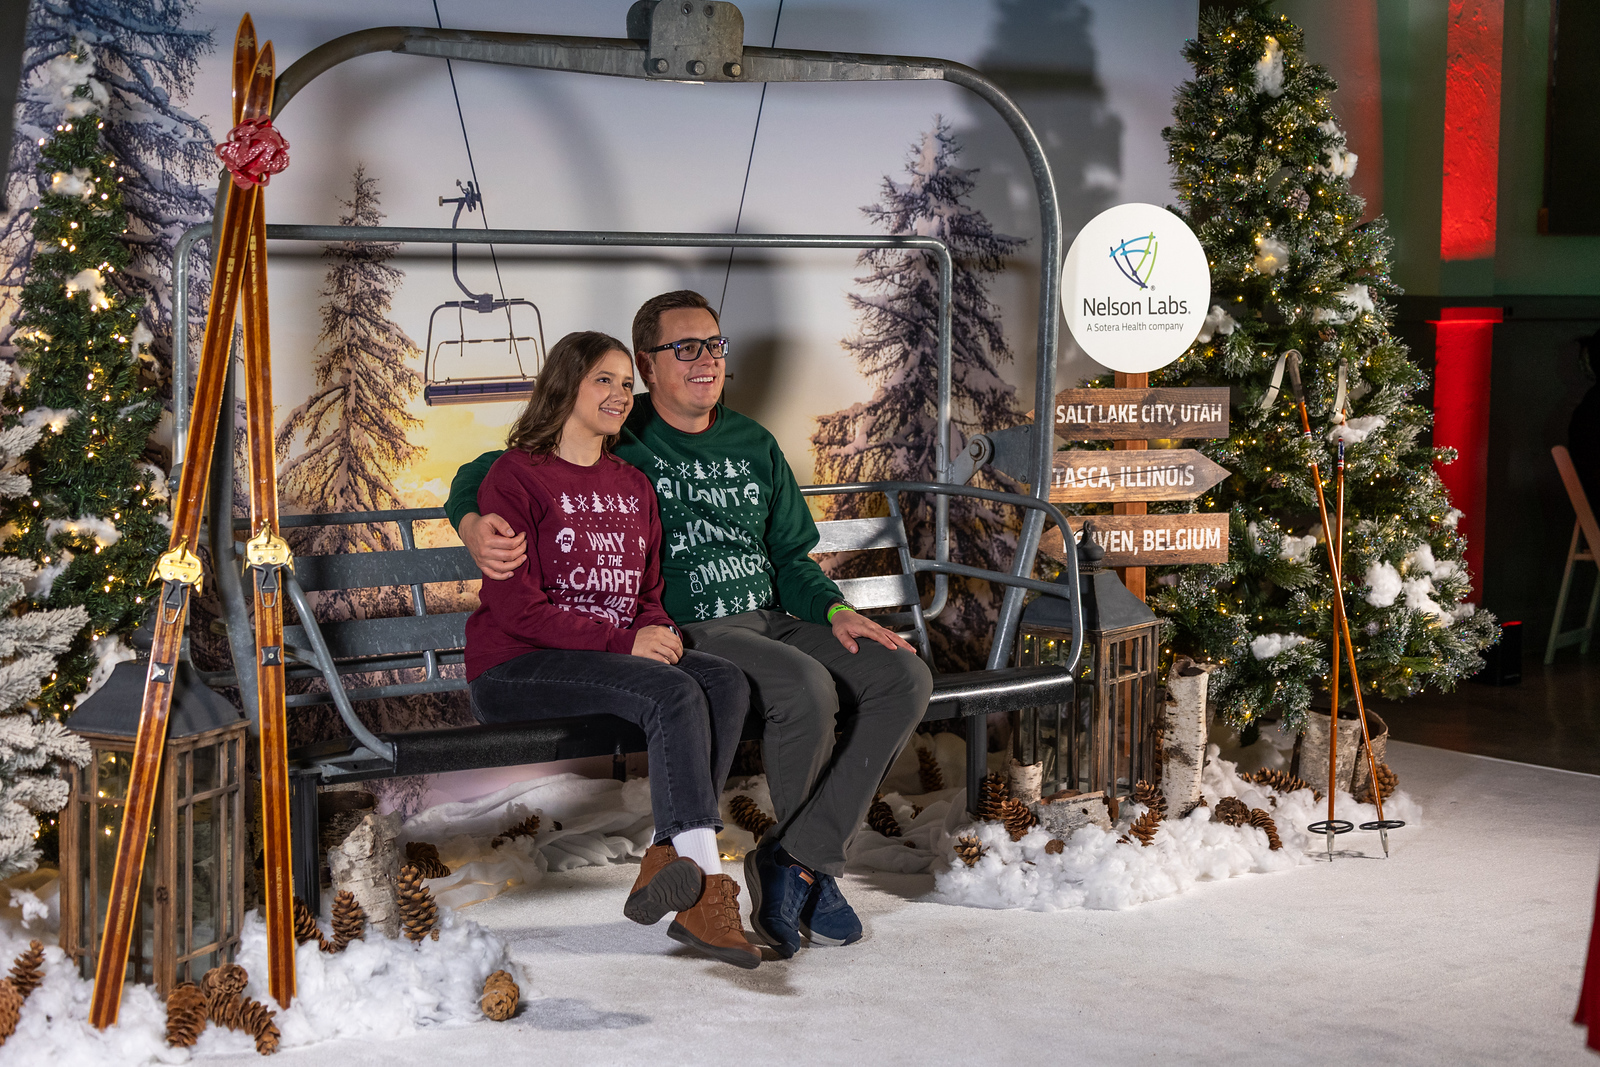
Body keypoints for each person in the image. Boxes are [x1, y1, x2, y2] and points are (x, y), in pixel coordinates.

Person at [448, 292, 933, 958]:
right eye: (685, 348)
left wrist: (835, 609)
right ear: (649, 365)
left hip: (768, 616)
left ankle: (796, 857)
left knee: (903, 674)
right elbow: (498, 467)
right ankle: (759, 876)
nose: (706, 359)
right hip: (696, 627)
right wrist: (472, 521)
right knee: (804, 687)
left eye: (714, 344)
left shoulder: (751, 444)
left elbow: (791, 559)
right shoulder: (623, 426)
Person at [464, 329, 760, 969]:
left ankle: (667, 856)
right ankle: (705, 889)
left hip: (606, 661)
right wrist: (626, 641)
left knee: (724, 681)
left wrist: (657, 632)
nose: (621, 394)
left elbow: (647, 593)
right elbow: (518, 610)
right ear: (565, 385)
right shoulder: (517, 475)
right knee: (673, 691)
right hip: (517, 667)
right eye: (604, 379)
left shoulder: (631, 484)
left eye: (627, 384)